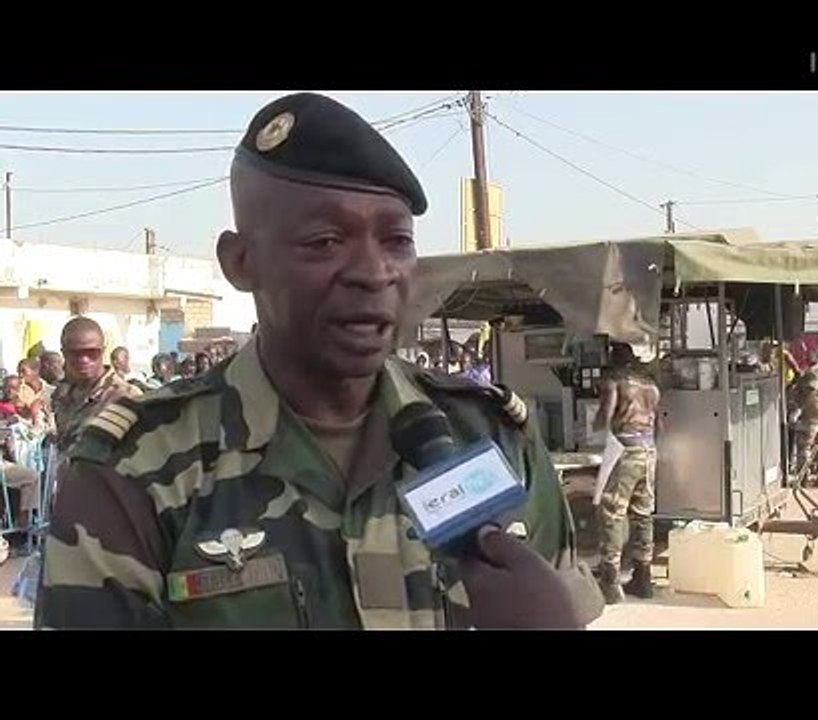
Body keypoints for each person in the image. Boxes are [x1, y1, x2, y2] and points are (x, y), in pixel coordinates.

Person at [37, 92, 600, 630]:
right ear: (240, 262)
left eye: (396, 241)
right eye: (325, 241)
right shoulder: (134, 471)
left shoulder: (492, 440)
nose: (373, 272)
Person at [592, 342, 661, 603]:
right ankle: (643, 580)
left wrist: (595, 422)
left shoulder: (615, 381)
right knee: (643, 514)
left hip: (626, 450)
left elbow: (605, 416)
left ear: (614, 360)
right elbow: (660, 425)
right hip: (649, 450)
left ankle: (610, 583)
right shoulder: (650, 385)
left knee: (612, 512)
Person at [50, 317, 142, 457]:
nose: (84, 360)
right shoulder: (62, 395)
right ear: (64, 353)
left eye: (92, 353)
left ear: (102, 351)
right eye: (75, 353)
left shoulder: (125, 396)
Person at [791, 350, 818, 487]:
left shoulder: (812, 373)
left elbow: (810, 391)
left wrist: (799, 409)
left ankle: (803, 477)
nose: (806, 357)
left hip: (812, 411)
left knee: (804, 445)